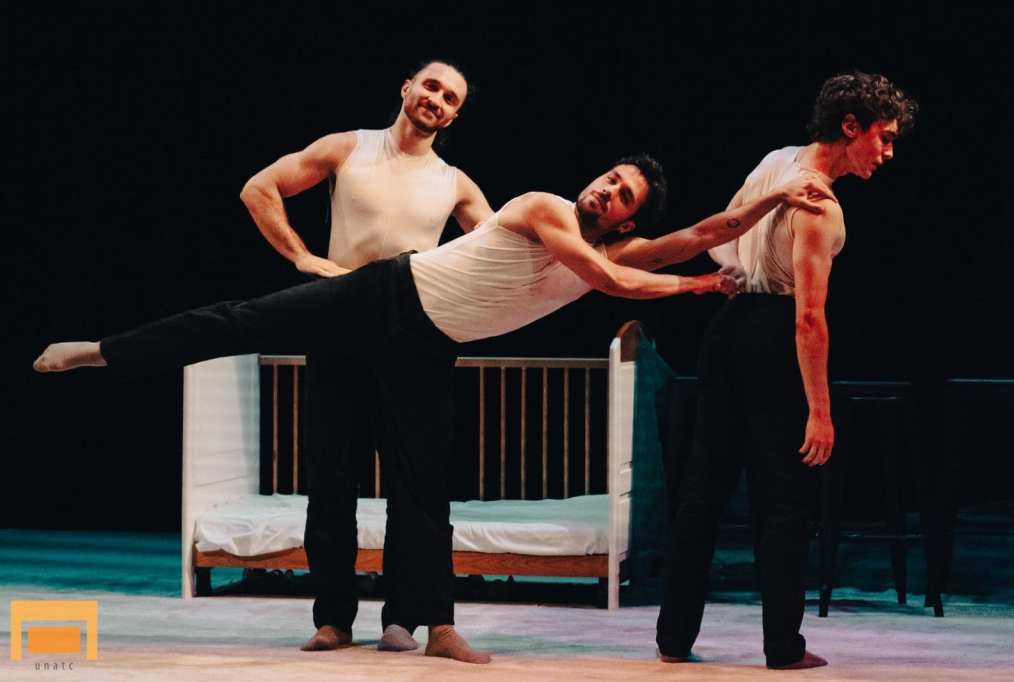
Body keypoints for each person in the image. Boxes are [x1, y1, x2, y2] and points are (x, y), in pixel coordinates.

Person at [34, 156, 834, 664]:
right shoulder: (547, 207)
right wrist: (699, 285)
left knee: (426, 485)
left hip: (427, 344)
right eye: (608, 177)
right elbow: (615, 280)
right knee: (245, 321)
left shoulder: (614, 247)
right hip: (386, 294)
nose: (604, 188)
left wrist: (773, 198)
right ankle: (104, 350)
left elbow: (703, 231)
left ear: (627, 218)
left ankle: (435, 626)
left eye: (621, 193)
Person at [655, 71, 918, 670]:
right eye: (884, 137)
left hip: (727, 330)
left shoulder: (776, 160)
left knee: (703, 490)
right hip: (774, 338)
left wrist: (737, 276)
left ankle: (673, 637)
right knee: (785, 499)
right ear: (850, 126)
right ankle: (782, 647)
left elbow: (724, 235)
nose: (887, 152)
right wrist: (820, 412)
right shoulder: (821, 206)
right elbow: (809, 318)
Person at [238, 60, 493, 654]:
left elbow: (504, 247)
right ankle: (333, 618)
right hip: (340, 324)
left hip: (415, 338)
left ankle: (405, 619)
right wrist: (304, 259)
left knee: (417, 485)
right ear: (407, 88)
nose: (437, 99)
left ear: (453, 116)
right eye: (431, 86)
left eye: (450, 97)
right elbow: (259, 188)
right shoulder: (348, 147)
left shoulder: (456, 183)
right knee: (332, 479)